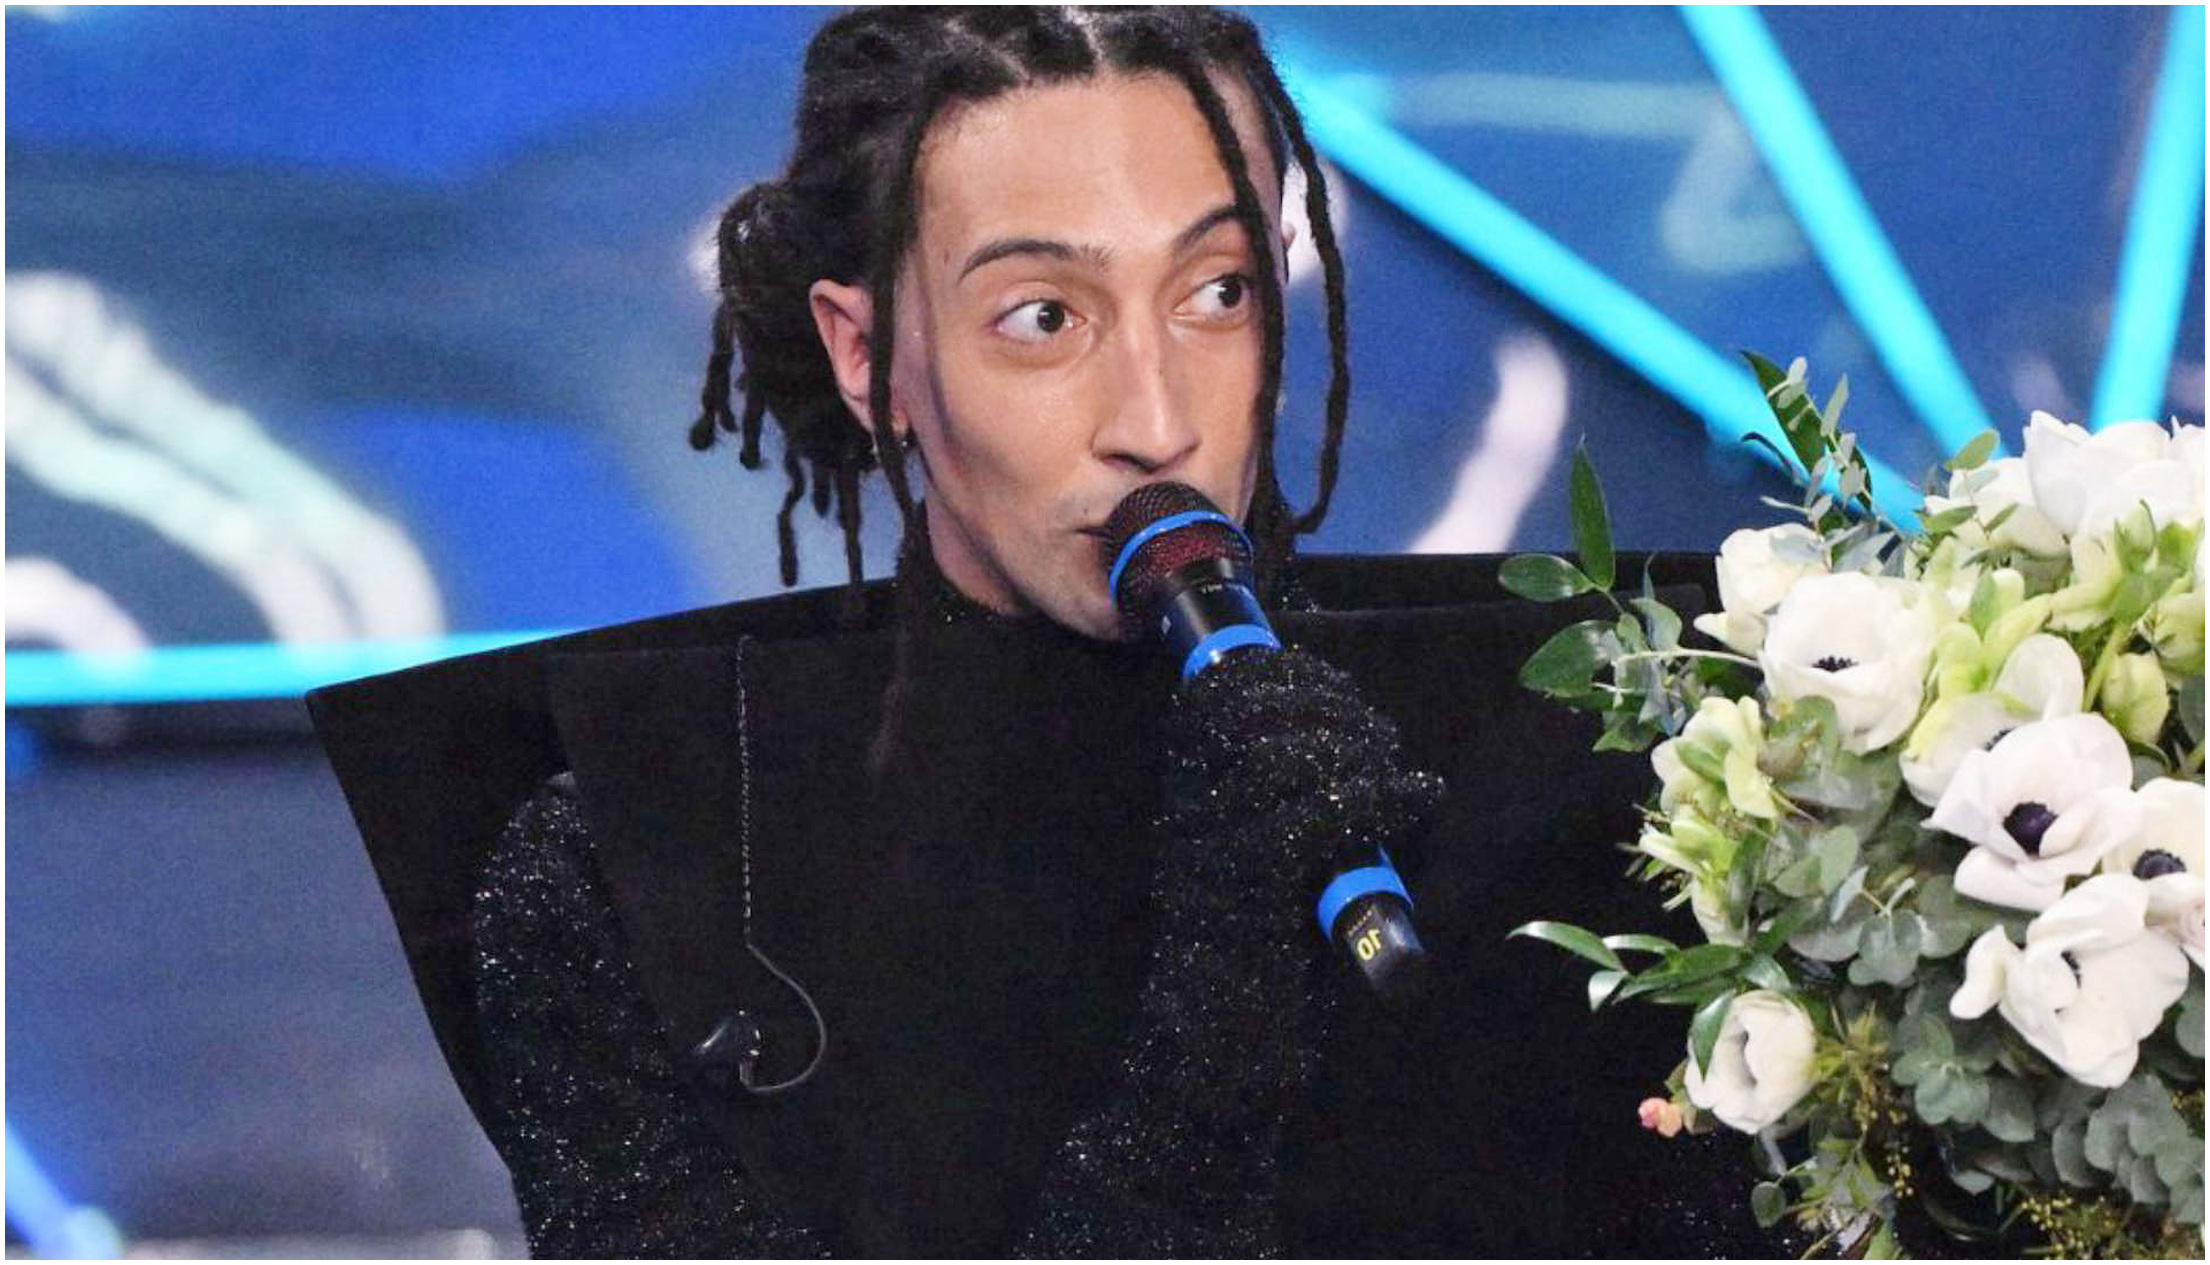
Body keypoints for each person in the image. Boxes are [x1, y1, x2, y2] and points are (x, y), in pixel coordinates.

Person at [311, 6, 1777, 1257]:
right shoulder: (645, 863)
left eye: (1216, 292)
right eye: (1043, 317)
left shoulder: (1620, 776)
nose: (1154, 417)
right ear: (868, 354)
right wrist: (1221, 1005)